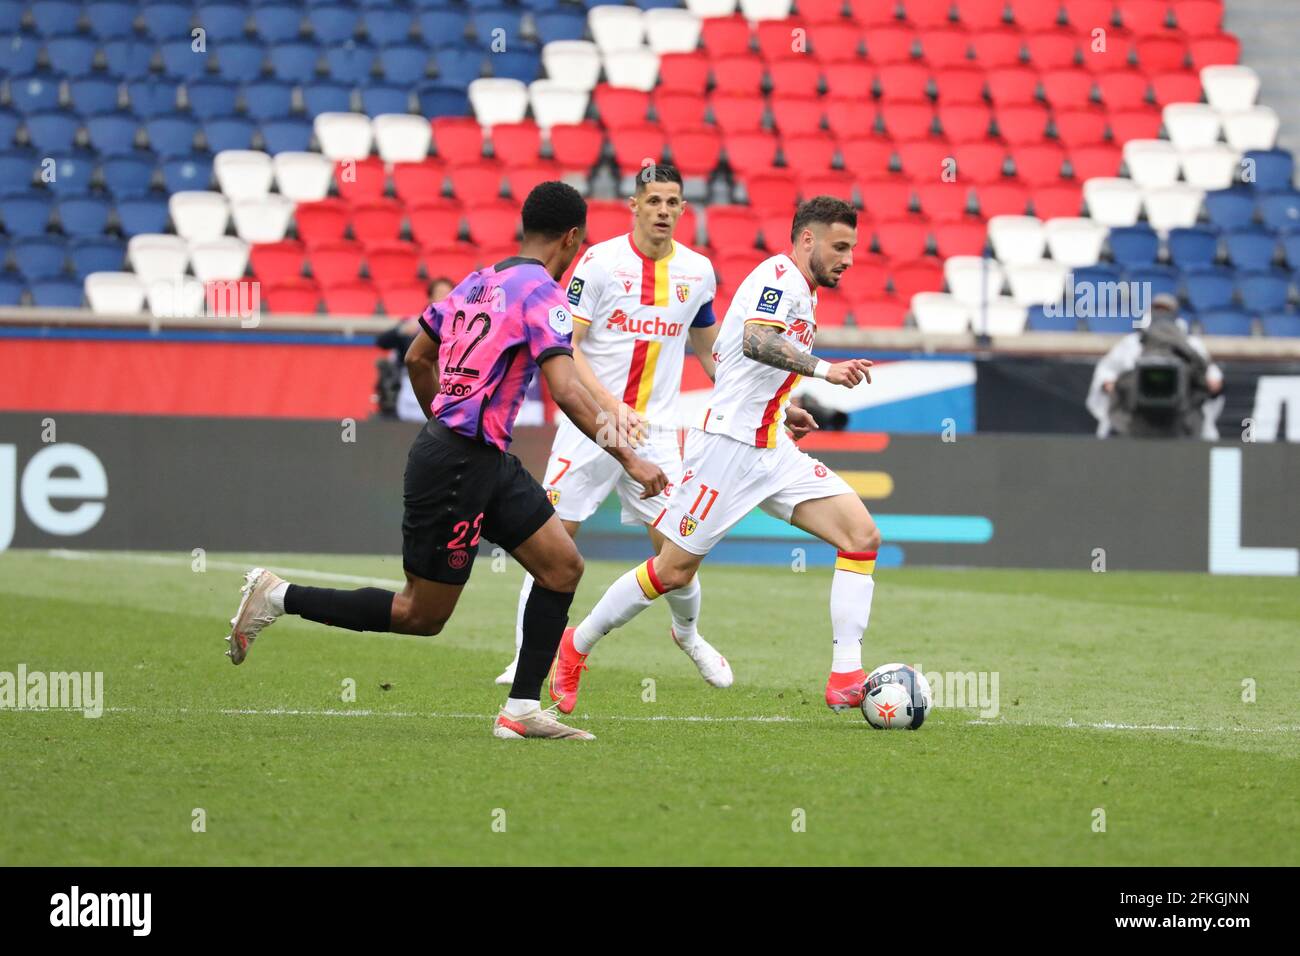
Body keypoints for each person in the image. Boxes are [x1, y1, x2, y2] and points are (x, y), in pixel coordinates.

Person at [222, 182, 668, 741]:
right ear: (573, 238)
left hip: (477, 455)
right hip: (460, 461)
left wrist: (447, 416)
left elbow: (416, 354)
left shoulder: (479, 281)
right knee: (422, 615)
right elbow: (567, 390)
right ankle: (278, 595)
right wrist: (628, 456)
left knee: (562, 568)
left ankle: (522, 708)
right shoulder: (543, 294)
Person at [548, 196, 883, 720]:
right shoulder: (779, 276)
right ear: (808, 240)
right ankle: (577, 645)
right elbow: (755, 340)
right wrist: (822, 371)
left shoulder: (803, 290)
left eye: (853, 249)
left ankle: (845, 675)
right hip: (727, 449)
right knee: (674, 571)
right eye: (840, 247)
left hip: (771, 445)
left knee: (861, 537)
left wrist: (784, 405)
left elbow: (731, 359)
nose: (848, 258)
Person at [494, 165, 732, 692]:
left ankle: (688, 635)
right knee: (549, 543)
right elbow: (567, 346)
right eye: (654, 201)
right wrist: (608, 406)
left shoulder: (698, 272)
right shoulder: (599, 264)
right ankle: (523, 658)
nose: (664, 211)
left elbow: (710, 353)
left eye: (673, 202)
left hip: (658, 434)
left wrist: (749, 396)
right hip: (588, 426)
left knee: (678, 556)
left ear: (684, 209)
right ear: (634, 205)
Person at [1087, 292, 1225, 439]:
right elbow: (1106, 372)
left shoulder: (1191, 345)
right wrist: (1111, 385)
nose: (1161, 314)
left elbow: (1210, 375)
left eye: (1166, 310)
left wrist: (1212, 384)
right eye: (1157, 309)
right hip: (1133, 419)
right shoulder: (1131, 343)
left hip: (1181, 420)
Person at [375, 277, 454, 422]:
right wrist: (401, 329)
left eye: (448, 293)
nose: (444, 297)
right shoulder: (416, 325)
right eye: (440, 293)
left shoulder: (462, 327)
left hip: (450, 386)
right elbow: (381, 342)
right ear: (430, 298)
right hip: (414, 385)